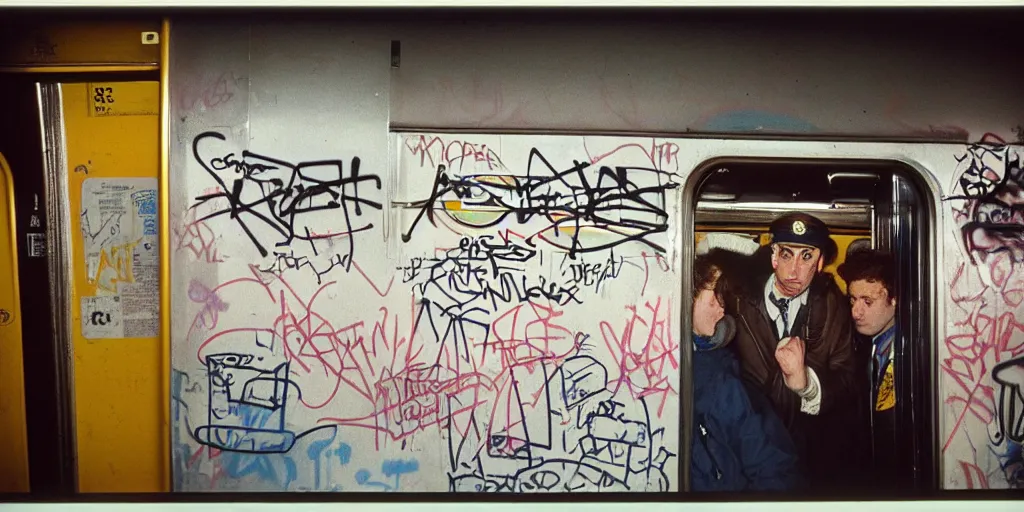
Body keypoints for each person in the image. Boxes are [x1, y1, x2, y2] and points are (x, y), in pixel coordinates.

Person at [723, 212, 862, 490]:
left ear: (821, 262)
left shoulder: (834, 307)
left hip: (811, 456)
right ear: (774, 255)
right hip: (749, 453)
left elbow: (848, 379)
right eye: (786, 255)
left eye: (806, 257)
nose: (793, 271)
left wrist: (807, 385)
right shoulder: (735, 299)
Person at [689, 249, 804, 492]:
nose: (721, 310)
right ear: (688, 299)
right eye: (714, 301)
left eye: (723, 301)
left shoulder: (721, 374)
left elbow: (763, 454)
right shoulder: (677, 367)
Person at [837, 249, 900, 489]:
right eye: (853, 300)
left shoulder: (903, 355)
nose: (855, 312)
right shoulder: (871, 346)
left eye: (868, 302)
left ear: (894, 299)